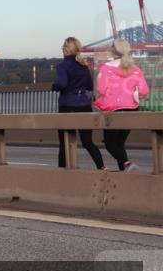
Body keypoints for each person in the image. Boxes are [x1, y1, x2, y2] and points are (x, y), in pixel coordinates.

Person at [95, 40, 150, 172]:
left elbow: (101, 90)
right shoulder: (135, 69)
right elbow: (144, 92)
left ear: (112, 51)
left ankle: (127, 163)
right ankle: (125, 172)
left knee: (109, 143)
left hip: (113, 110)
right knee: (119, 143)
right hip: (132, 109)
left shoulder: (106, 68)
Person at [53, 37, 105, 170]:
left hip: (68, 106)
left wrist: (55, 86)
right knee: (88, 142)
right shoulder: (83, 66)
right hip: (84, 106)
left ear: (66, 50)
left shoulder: (62, 66)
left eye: (62, 48)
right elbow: (89, 86)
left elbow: (62, 84)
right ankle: (102, 167)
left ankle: (61, 174)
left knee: (64, 143)